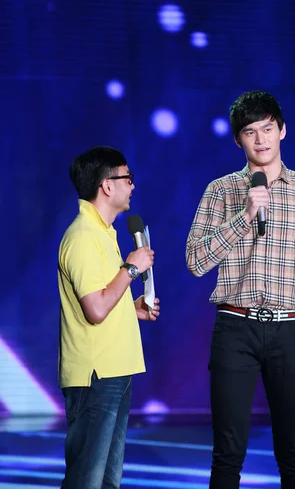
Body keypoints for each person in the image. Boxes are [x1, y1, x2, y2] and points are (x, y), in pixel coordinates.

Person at [186, 91, 295, 489]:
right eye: (250, 132)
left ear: (283, 130)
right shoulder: (221, 191)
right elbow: (195, 261)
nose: (260, 139)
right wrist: (245, 216)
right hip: (235, 328)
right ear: (238, 140)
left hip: (289, 331)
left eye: (268, 129)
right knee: (227, 454)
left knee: (294, 455)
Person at [58, 146, 160, 489]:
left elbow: (103, 299)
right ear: (106, 185)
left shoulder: (104, 233)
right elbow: (96, 309)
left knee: (106, 481)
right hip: (95, 374)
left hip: (116, 369)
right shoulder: (83, 237)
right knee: (86, 480)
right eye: (127, 178)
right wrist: (131, 268)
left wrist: (131, 309)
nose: (132, 185)